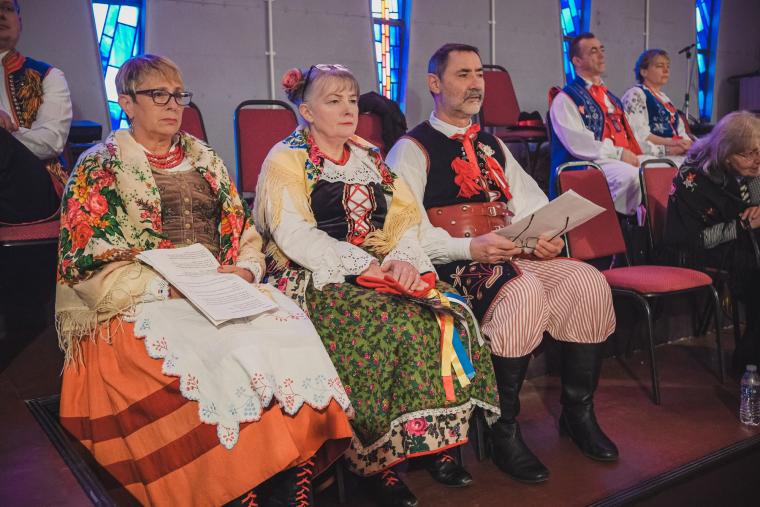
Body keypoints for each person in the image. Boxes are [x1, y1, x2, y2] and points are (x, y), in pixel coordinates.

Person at [56, 55, 353, 507]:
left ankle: (292, 474)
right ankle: (240, 487)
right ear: (127, 103)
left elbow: (244, 231)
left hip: (217, 287)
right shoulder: (99, 166)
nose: (172, 105)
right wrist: (167, 287)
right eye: (158, 94)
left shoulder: (204, 158)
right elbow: (87, 257)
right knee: (227, 355)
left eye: (178, 95)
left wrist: (247, 270)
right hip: (144, 297)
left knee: (289, 331)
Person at [254, 64, 500, 507]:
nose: (348, 109)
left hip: (380, 268)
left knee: (446, 311)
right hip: (316, 274)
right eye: (334, 101)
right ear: (307, 111)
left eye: (352, 100)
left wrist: (403, 261)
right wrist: (363, 264)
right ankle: (372, 461)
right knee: (387, 326)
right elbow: (294, 234)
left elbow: (404, 220)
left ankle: (431, 444)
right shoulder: (286, 158)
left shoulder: (369, 157)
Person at [386, 43, 619, 485]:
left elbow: (531, 203)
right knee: (521, 293)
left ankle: (578, 414)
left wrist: (544, 237)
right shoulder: (410, 149)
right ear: (434, 83)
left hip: (508, 252)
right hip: (452, 261)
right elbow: (404, 231)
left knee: (587, 281)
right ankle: (502, 430)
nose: (475, 83)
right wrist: (469, 249)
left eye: (479, 74)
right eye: (462, 74)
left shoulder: (492, 144)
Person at [665, 111, 760, 370]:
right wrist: (743, 225)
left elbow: (755, 199)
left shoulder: (750, 168)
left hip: (743, 242)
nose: (757, 161)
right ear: (725, 152)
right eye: (749, 154)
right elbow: (696, 239)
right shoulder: (693, 179)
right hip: (700, 250)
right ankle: (750, 357)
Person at [549, 32, 652, 216]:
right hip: (587, 163)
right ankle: (627, 224)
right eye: (593, 51)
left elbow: (631, 136)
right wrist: (619, 153)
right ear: (577, 61)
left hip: (619, 159)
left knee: (664, 170)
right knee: (636, 177)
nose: (601, 55)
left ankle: (654, 226)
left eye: (601, 49)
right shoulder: (565, 99)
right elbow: (579, 145)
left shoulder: (611, 98)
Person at [0, 0, 71, 223]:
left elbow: (51, 141)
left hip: (35, 185)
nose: (1, 14)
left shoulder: (48, 75)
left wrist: (6, 136)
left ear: (19, 22)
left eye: (8, 8)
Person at [622, 49, 692, 166]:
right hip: (652, 156)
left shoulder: (666, 99)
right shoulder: (635, 94)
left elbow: (681, 132)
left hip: (675, 154)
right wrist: (673, 144)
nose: (666, 70)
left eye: (668, 66)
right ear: (644, 71)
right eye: (660, 66)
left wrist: (687, 144)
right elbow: (641, 136)